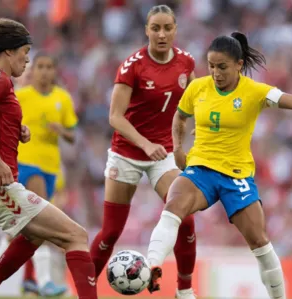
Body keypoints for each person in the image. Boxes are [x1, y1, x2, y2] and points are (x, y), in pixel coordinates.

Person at [145, 32, 292, 299]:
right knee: (173, 206)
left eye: (222, 67)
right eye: (211, 66)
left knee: (259, 242)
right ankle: (151, 265)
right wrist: (177, 149)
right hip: (201, 170)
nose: (215, 73)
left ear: (239, 64)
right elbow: (179, 117)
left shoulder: (255, 92)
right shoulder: (197, 87)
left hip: (236, 176)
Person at [0, 18, 97, 299]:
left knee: (35, 235)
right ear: (8, 51)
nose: (27, 60)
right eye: (25, 53)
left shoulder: (1, 83)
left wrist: (16, 130)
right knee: (76, 236)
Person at [89, 5, 198, 298]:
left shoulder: (187, 62)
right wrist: (145, 144)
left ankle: (185, 291)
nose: (162, 34)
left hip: (161, 156)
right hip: (127, 153)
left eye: (167, 28)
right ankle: (84, 292)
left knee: (185, 218)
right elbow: (115, 116)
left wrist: (183, 141)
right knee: (111, 232)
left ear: (175, 29)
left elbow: (187, 107)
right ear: (146, 30)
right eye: (156, 28)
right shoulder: (132, 66)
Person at [16, 51, 77, 296]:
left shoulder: (62, 98)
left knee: (29, 229)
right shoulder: (21, 96)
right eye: (39, 66)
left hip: (52, 167)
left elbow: (73, 135)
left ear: (54, 71)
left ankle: (29, 280)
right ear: (33, 70)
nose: (43, 71)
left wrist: (61, 131)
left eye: (48, 66)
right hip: (25, 163)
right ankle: (45, 281)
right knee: (40, 220)